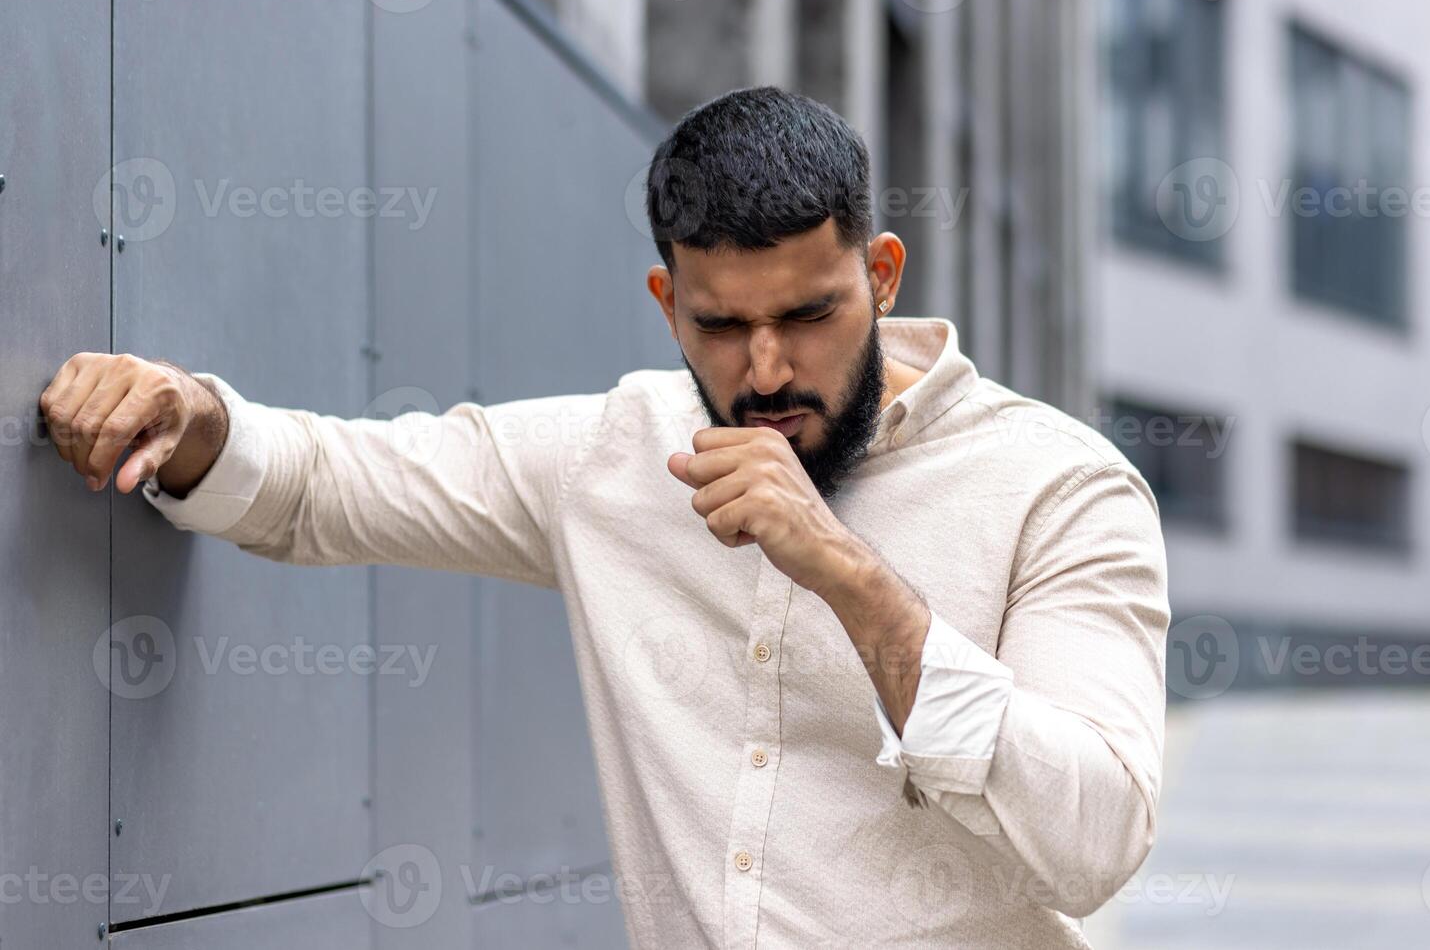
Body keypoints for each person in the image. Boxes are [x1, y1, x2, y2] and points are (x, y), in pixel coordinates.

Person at [40, 86, 1169, 947]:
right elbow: (332, 479)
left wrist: (847, 572)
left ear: (880, 274)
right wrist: (183, 410)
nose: (768, 366)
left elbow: (1097, 837)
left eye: (809, 313)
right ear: (666, 301)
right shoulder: (614, 455)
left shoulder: (1061, 488)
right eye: (722, 325)